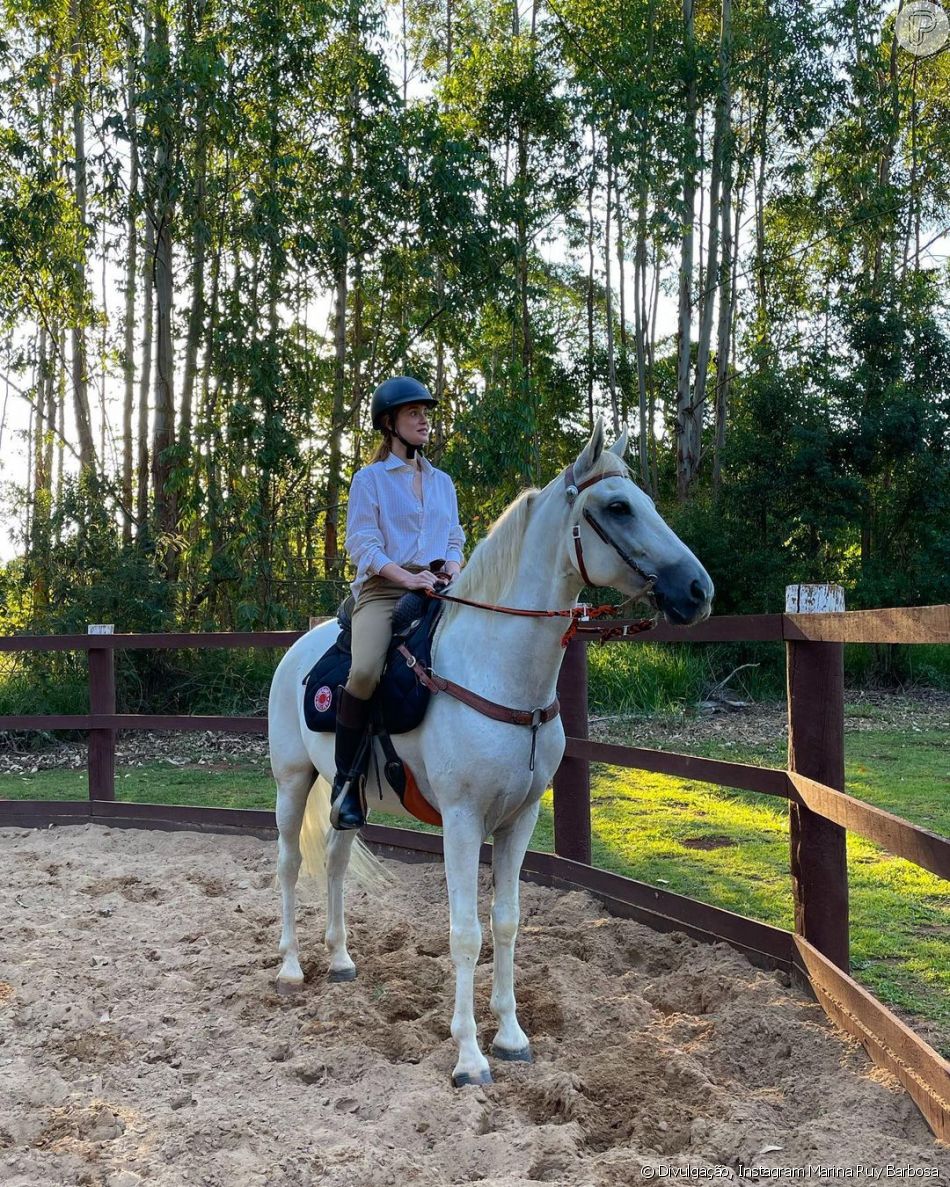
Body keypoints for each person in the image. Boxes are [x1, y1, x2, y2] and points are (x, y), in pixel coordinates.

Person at [330, 376, 465, 830]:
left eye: (425, 412)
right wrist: (407, 576)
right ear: (389, 423)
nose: (424, 419)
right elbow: (363, 545)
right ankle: (346, 785)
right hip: (385, 590)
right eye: (413, 413)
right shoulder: (369, 480)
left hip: (438, 586)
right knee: (366, 669)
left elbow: (454, 538)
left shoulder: (443, 481)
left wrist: (452, 568)